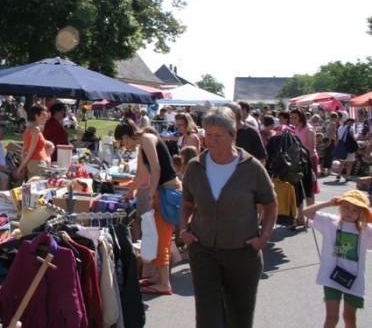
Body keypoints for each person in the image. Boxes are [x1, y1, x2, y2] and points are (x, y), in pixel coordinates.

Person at [181, 106, 277, 328]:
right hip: (204, 252)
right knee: (207, 319)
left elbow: (271, 203)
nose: (211, 141)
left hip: (243, 253)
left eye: (218, 136)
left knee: (240, 319)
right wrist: (184, 231)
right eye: (208, 135)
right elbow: (187, 203)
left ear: (233, 135)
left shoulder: (251, 167)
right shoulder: (196, 166)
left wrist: (264, 237)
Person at [115, 121, 180, 296]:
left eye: (122, 142)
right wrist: (131, 191)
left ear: (126, 137)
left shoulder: (147, 139)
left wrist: (151, 195)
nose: (124, 146)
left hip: (167, 192)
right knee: (158, 237)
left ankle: (164, 283)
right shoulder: (142, 144)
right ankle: (158, 278)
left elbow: (157, 168)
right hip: (162, 192)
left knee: (162, 238)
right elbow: (143, 174)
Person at [303, 190, 372, 328]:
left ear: (361, 212)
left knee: (349, 318)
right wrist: (329, 203)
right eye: (346, 207)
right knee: (331, 318)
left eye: (355, 210)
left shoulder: (366, 230)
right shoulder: (330, 222)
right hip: (331, 277)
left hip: (354, 280)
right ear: (340, 206)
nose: (349, 212)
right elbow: (306, 212)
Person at [292, 107, 317, 211]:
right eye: (292, 118)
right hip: (299, 160)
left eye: (295, 118)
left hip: (309, 161)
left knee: (309, 189)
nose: (293, 120)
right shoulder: (296, 129)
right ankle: (301, 216)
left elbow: (310, 150)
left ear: (301, 117)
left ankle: (310, 214)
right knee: (298, 190)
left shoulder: (309, 130)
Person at [18, 105, 49, 181]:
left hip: (32, 164)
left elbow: (24, 150)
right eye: (43, 115)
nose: (46, 117)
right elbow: (31, 150)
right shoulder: (35, 129)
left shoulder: (28, 128)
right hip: (37, 163)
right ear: (36, 116)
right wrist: (22, 167)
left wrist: (23, 165)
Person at [333, 117, 356, 183]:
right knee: (349, 162)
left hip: (341, 146)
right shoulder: (350, 128)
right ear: (350, 122)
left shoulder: (340, 128)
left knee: (342, 161)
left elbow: (338, 136)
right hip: (349, 146)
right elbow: (352, 137)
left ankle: (339, 174)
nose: (352, 124)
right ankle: (348, 176)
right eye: (352, 122)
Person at [322, 112, 340, 176]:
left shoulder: (326, 122)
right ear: (335, 117)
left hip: (325, 138)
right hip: (330, 139)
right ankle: (329, 171)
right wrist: (330, 141)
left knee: (325, 155)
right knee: (329, 155)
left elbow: (323, 130)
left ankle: (324, 170)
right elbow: (330, 132)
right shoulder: (333, 123)